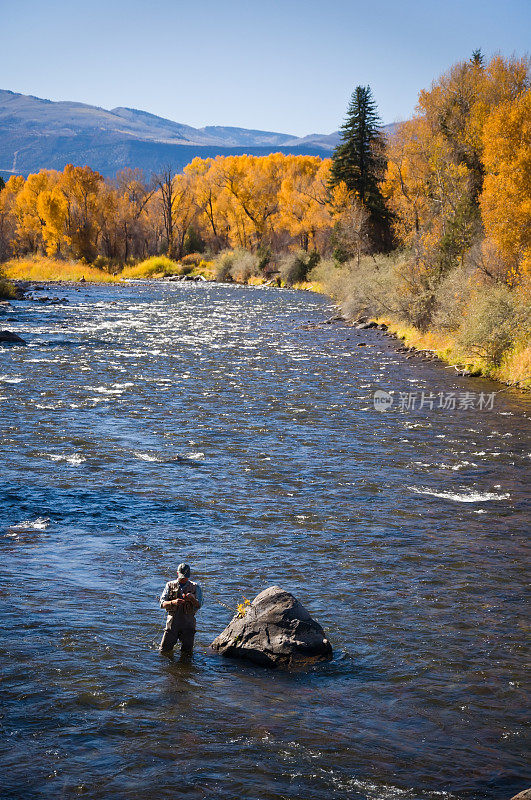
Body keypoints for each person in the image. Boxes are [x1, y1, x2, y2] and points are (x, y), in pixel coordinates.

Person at [159, 563, 203, 655]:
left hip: (188, 624)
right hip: (172, 624)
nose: (184, 579)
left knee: (187, 654)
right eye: (182, 577)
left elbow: (199, 605)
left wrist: (192, 598)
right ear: (177, 574)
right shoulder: (169, 585)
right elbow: (162, 604)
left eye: (186, 577)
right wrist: (173, 602)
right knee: (164, 651)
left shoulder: (195, 587)